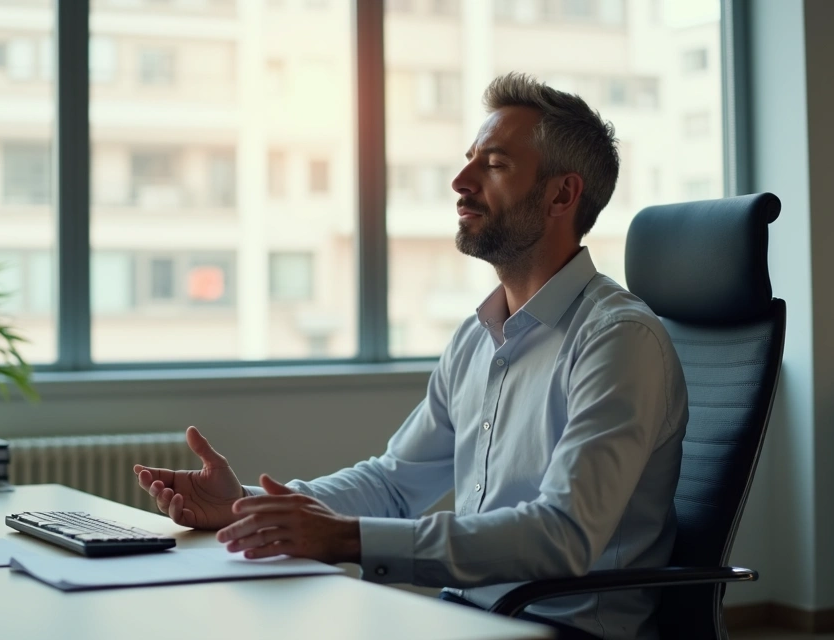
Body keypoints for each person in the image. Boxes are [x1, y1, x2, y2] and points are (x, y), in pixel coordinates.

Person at [133, 72, 687, 640]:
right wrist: (245, 506)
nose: (460, 181)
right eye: (469, 160)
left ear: (561, 195)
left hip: (563, 628)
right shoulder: (477, 338)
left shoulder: (617, 340)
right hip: (465, 614)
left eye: (494, 164)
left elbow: (563, 534)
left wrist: (347, 538)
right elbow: (395, 484)